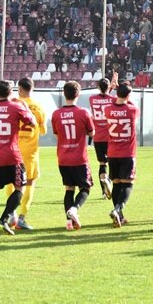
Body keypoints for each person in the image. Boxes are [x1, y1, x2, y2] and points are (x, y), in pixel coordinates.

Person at [0, 80, 36, 238]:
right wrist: (24, 106)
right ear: (11, 92)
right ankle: (3, 219)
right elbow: (32, 123)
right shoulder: (16, 106)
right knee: (20, 187)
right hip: (12, 155)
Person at [2, 77, 47, 230]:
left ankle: (11, 213)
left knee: (11, 182)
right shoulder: (38, 106)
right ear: (32, 88)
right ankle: (21, 217)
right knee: (30, 182)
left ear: (19, 89)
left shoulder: (13, 104)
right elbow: (43, 131)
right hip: (30, 152)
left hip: (13, 149)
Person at [52, 80, 96, 230]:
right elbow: (92, 132)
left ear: (64, 94)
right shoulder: (83, 112)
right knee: (85, 188)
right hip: (79, 158)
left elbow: (57, 134)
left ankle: (69, 223)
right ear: (78, 94)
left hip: (63, 158)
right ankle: (74, 209)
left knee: (69, 189)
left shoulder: (56, 114)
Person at [105, 81, 139, 228]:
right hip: (127, 153)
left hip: (112, 153)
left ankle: (120, 216)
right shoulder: (132, 110)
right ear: (129, 96)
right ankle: (117, 210)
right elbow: (127, 102)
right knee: (128, 184)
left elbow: (115, 101)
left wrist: (116, 89)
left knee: (117, 184)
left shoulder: (108, 109)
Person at [88, 76, 116, 199]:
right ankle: (110, 183)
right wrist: (112, 86)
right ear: (109, 87)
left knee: (102, 163)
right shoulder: (113, 99)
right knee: (112, 162)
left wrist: (109, 87)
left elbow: (102, 98)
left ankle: (104, 192)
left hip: (97, 136)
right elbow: (109, 99)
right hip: (110, 136)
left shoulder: (92, 99)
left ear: (98, 87)